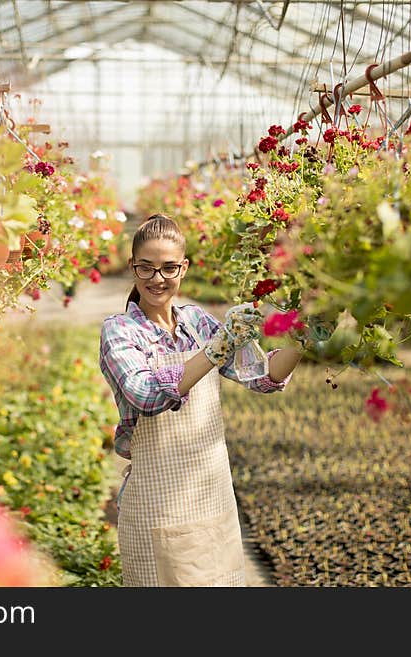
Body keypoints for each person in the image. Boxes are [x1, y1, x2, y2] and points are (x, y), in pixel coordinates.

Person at [99, 213, 302, 587]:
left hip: (211, 499)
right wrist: (214, 349)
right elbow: (146, 396)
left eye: (168, 268)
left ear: (184, 268)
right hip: (156, 506)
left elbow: (264, 377)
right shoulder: (120, 332)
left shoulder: (198, 323)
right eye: (146, 268)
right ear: (132, 267)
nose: (157, 279)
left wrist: (304, 333)